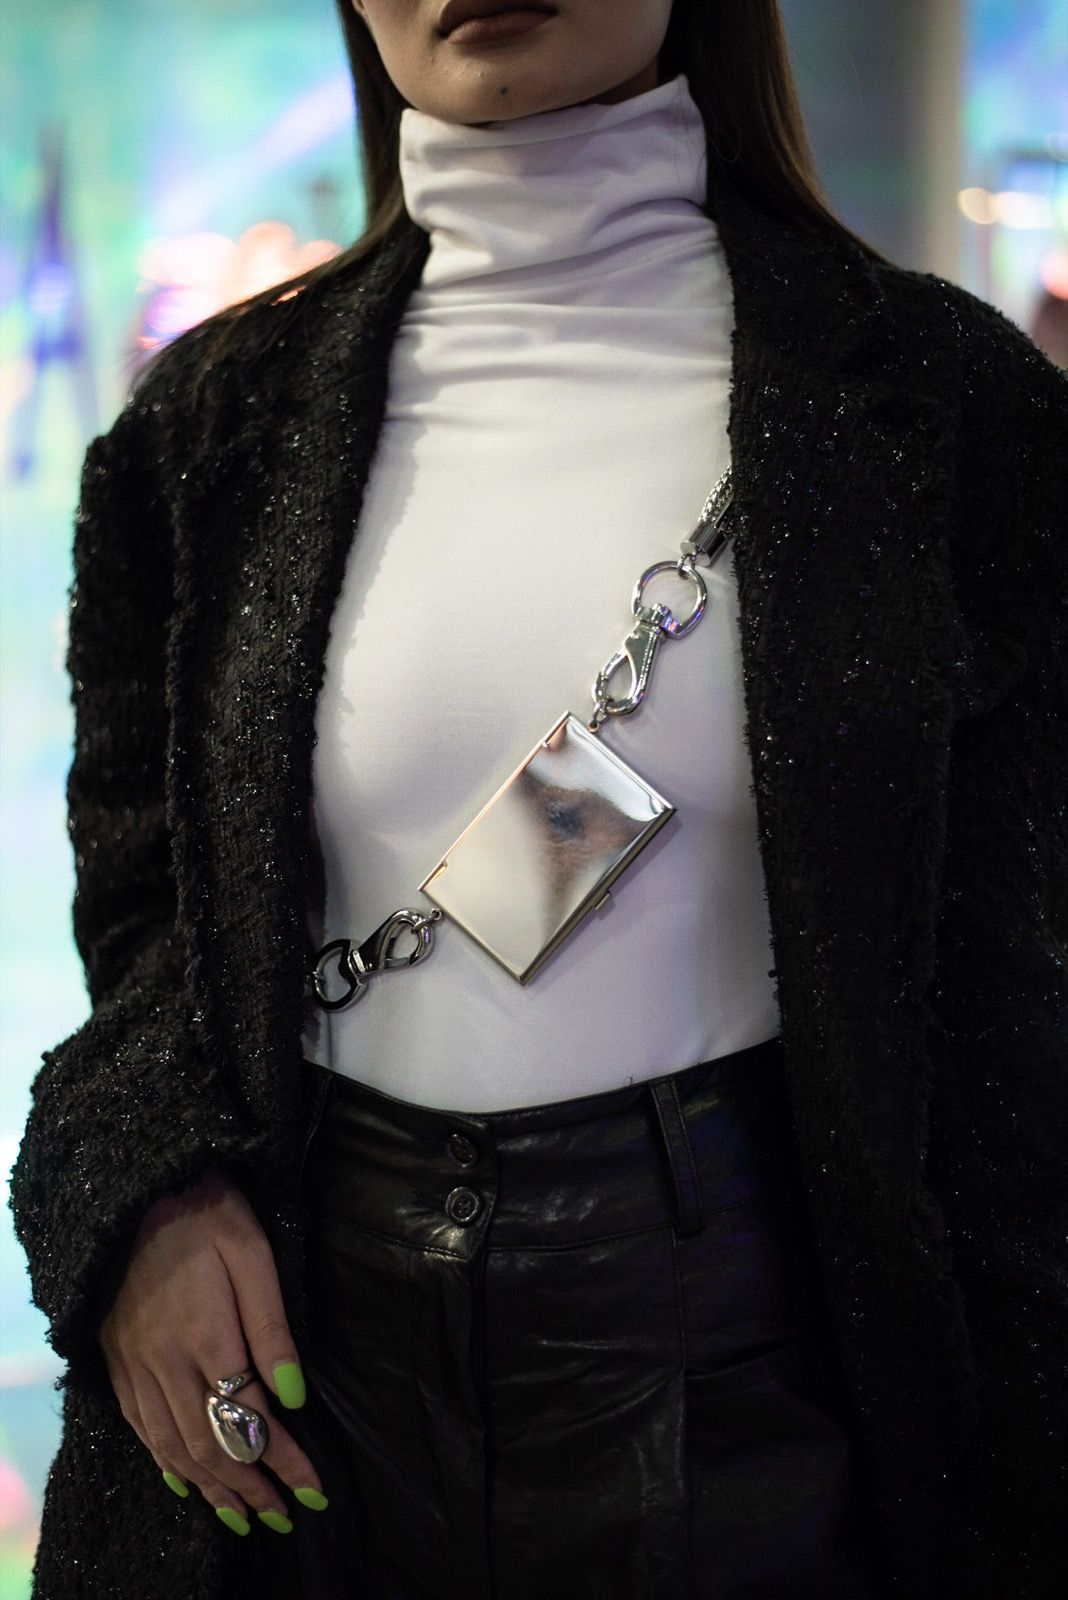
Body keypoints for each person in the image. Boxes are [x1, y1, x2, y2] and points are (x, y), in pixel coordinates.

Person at [9, 2, 1067, 1597]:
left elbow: (1016, 1020)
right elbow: (147, 915)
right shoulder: (204, 432)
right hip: (314, 1397)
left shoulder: (947, 412)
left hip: (766, 1391)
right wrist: (153, 1196)